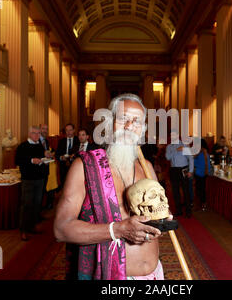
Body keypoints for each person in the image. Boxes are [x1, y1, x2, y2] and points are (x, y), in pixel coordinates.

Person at [54, 93, 165, 280]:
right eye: (123, 118)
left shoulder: (146, 167)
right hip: (110, 277)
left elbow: (154, 220)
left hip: (155, 273)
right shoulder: (85, 167)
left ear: (143, 129)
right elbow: (61, 228)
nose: (129, 127)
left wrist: (161, 220)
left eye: (137, 121)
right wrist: (119, 229)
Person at [15, 126, 50, 241]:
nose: (37, 135)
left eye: (39, 133)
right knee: (26, 205)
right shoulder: (22, 146)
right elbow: (18, 161)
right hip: (28, 179)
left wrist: (45, 159)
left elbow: (41, 159)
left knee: (37, 204)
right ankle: (23, 230)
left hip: (39, 178)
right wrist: (31, 160)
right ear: (30, 133)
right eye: (35, 133)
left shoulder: (39, 146)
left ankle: (32, 226)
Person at [166, 129, 194, 218]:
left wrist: (190, 171)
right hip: (173, 170)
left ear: (178, 135)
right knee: (175, 191)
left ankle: (188, 211)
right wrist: (176, 150)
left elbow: (191, 158)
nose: (172, 137)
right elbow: (167, 157)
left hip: (183, 169)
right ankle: (179, 211)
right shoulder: (169, 146)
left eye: (174, 135)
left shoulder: (184, 145)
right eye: (171, 135)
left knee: (186, 190)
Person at [55, 124, 79, 189]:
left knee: (74, 186)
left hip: (75, 167)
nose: (68, 132)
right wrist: (61, 157)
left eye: (70, 130)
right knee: (64, 186)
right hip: (63, 168)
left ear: (74, 130)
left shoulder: (78, 140)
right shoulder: (61, 141)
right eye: (67, 130)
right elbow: (57, 155)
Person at [39, 124, 55, 211]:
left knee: (41, 193)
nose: (45, 131)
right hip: (37, 171)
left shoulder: (46, 141)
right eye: (43, 129)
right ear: (39, 129)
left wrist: (50, 156)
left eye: (46, 129)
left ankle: (39, 213)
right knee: (38, 194)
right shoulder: (36, 141)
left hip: (45, 170)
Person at [194, 139, 210, 211]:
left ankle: (203, 203)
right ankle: (202, 203)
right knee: (200, 189)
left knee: (200, 189)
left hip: (201, 173)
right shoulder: (202, 152)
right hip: (200, 173)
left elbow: (205, 163)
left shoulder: (203, 152)